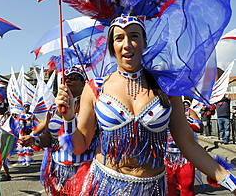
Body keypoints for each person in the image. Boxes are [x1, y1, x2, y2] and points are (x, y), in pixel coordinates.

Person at [55, 14, 236, 195]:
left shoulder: (166, 88)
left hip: (153, 189)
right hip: (105, 186)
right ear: (112, 46)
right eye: (119, 38)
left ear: (144, 42)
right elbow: (79, 146)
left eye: (134, 36)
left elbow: (188, 145)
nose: (127, 44)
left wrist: (231, 182)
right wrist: (69, 117)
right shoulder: (95, 88)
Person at [20, 67, 98, 195]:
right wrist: (35, 139)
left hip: (85, 170)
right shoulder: (53, 109)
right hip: (58, 170)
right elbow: (49, 137)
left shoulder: (92, 106)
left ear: (83, 83)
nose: (68, 80)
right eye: (65, 78)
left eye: (73, 78)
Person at [165, 99, 204, 196]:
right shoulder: (162, 111)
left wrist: (190, 121)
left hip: (185, 156)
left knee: (187, 185)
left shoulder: (188, 112)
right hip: (166, 155)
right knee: (168, 187)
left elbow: (200, 128)